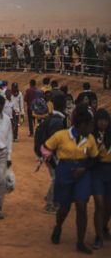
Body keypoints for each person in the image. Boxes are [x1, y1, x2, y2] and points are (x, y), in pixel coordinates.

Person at [42, 104, 98, 254]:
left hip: (83, 172)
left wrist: (84, 169)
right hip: (64, 172)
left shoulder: (90, 139)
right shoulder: (61, 136)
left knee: (81, 205)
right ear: (82, 125)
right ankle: (58, 226)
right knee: (64, 207)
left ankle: (80, 241)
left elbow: (94, 158)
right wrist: (55, 166)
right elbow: (46, 148)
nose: (92, 128)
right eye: (90, 125)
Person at [34, 95, 68, 214]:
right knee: (56, 178)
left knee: (57, 177)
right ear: (63, 106)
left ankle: (52, 199)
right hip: (51, 154)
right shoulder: (57, 121)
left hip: (46, 152)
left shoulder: (52, 118)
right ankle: (50, 204)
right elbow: (55, 141)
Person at [92, 109, 111, 249]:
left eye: (106, 120)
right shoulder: (91, 135)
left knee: (108, 206)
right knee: (99, 204)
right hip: (97, 171)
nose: (103, 122)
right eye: (101, 120)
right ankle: (98, 237)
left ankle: (104, 228)